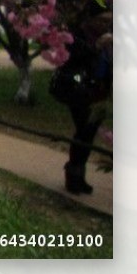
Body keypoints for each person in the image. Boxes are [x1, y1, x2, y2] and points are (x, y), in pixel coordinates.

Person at [49, 11, 112, 195]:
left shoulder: (109, 37)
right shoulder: (76, 35)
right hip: (77, 91)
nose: (105, 24)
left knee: (89, 134)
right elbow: (73, 59)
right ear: (91, 18)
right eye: (102, 20)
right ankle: (73, 175)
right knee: (83, 131)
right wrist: (97, 47)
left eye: (109, 21)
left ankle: (79, 174)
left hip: (98, 92)